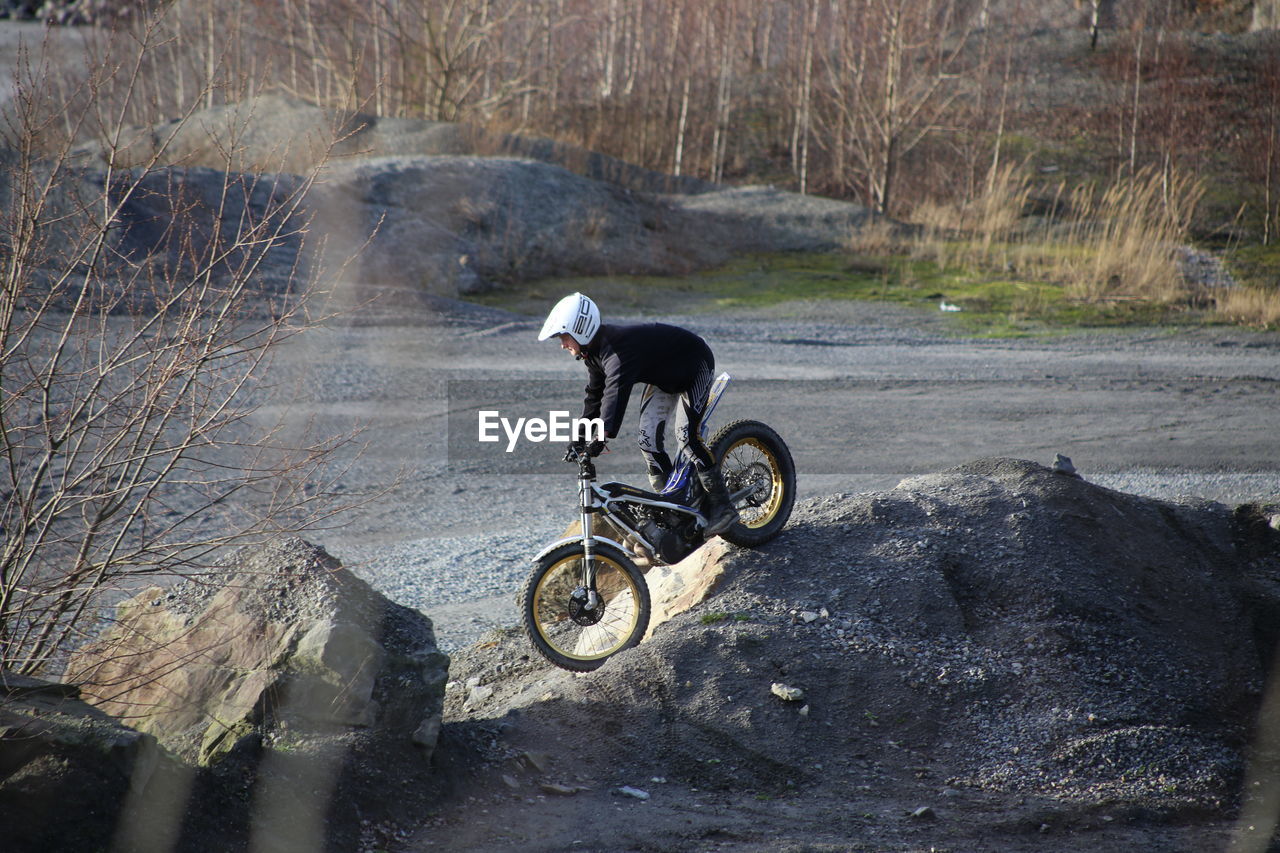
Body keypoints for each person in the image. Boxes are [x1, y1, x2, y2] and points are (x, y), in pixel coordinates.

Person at [538, 292, 740, 536]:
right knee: (647, 442)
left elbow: (614, 396)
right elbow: (594, 397)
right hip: (664, 377)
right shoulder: (594, 354)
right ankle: (676, 509)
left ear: (580, 329)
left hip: (695, 365)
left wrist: (601, 437)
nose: (562, 344)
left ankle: (723, 506)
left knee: (687, 437)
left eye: (563, 336)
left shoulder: (617, 352)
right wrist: (578, 439)